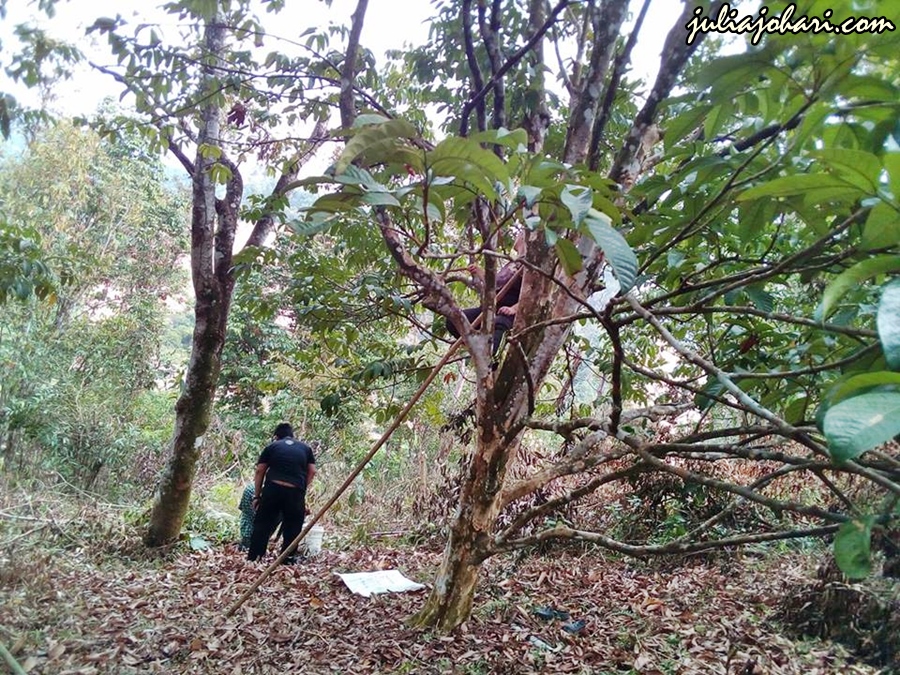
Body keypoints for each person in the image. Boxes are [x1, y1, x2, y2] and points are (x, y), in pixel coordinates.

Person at [247, 423, 316, 564]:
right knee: (293, 525)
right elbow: (312, 471)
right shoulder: (305, 448)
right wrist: (302, 488)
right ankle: (287, 559)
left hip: (273, 488)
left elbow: (260, 470)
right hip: (295, 490)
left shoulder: (272, 447)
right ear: (292, 435)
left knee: (263, 523)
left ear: (276, 437)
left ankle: (255, 557)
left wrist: (257, 495)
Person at [446, 233, 525, 355]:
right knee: (454, 320)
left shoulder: (530, 266)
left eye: (521, 233)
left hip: (508, 314)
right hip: (491, 308)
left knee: (500, 323)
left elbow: (532, 293)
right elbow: (494, 285)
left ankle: (493, 357)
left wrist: (514, 309)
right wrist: (480, 272)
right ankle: (476, 349)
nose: (517, 236)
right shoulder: (512, 263)